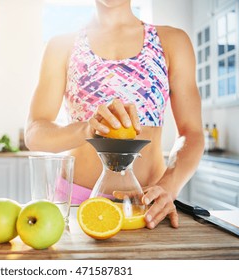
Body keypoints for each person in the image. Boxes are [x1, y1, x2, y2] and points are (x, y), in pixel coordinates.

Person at [25, 0, 204, 229]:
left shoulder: (173, 41)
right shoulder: (61, 45)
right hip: (77, 205)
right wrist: (87, 129)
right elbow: (34, 133)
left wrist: (169, 186)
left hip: (149, 205)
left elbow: (192, 133)